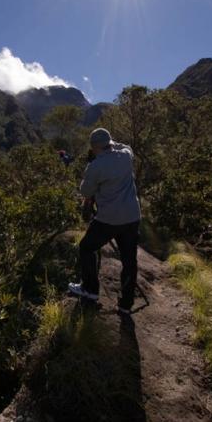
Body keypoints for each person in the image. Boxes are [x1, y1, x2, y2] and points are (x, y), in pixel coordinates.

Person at [68, 127, 141, 315]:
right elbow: (126, 147)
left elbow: (85, 192)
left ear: (93, 147)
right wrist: (111, 143)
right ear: (110, 143)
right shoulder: (125, 155)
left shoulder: (95, 166)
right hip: (132, 217)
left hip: (108, 219)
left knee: (86, 248)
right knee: (129, 260)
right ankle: (126, 304)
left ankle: (90, 290)